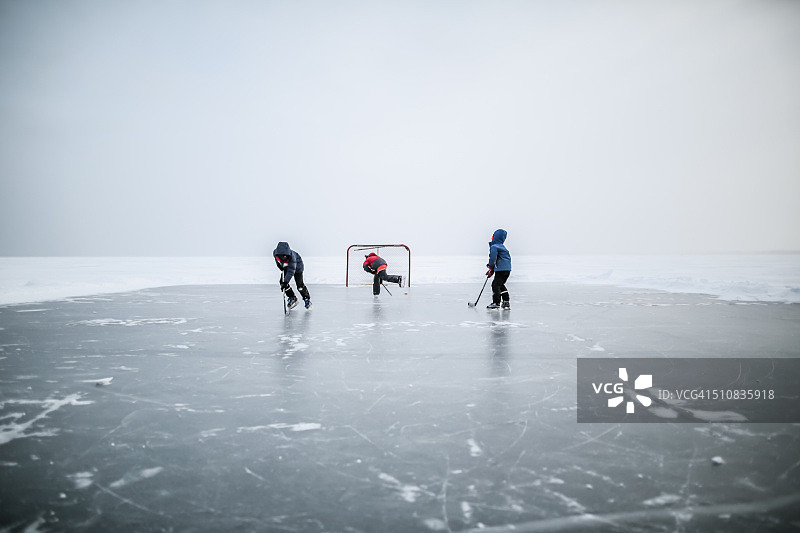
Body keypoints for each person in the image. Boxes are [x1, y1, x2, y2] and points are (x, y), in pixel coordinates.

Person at [273, 241, 312, 309]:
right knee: (282, 283)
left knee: (299, 286)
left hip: (297, 268)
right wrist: (280, 267)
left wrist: (286, 281)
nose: (283, 257)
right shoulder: (275, 253)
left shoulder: (292, 257)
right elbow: (277, 261)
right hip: (287, 266)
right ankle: (292, 297)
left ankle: (306, 299)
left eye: (285, 256)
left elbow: (291, 270)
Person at [486, 229, 511, 309]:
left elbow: (493, 258)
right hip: (507, 269)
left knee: (495, 285)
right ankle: (506, 302)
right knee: (500, 285)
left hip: (501, 269)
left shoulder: (494, 246)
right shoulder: (503, 247)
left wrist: (490, 265)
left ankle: (496, 303)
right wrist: (492, 270)